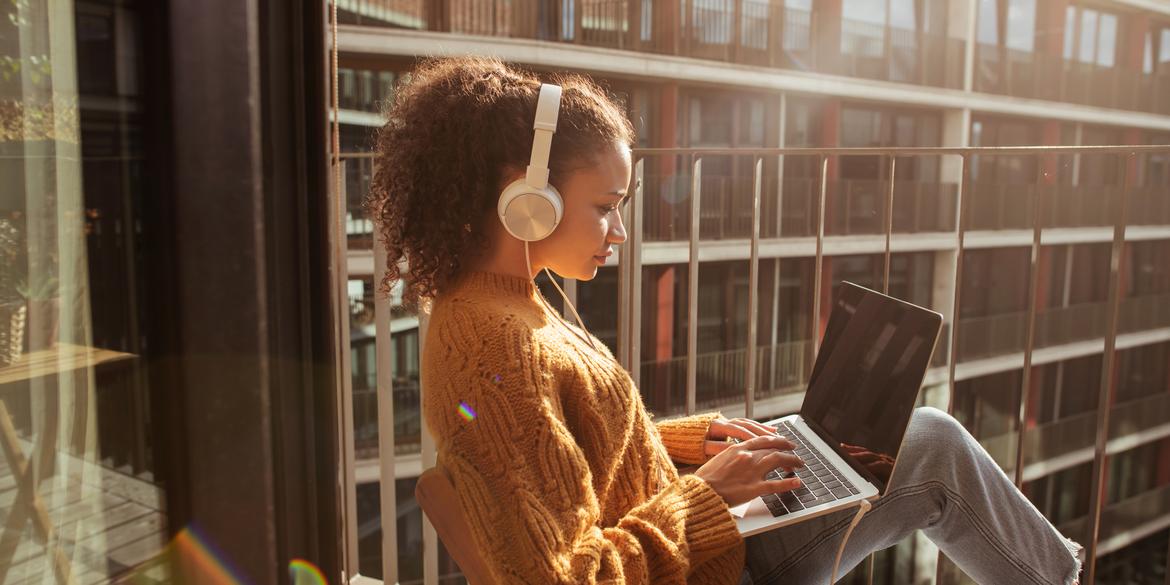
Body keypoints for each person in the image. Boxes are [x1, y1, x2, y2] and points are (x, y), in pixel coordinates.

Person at [365, 56, 1084, 585]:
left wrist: (688, 440)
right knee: (929, 446)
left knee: (890, 441)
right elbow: (568, 577)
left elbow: (581, 454)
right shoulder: (496, 340)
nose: (618, 229)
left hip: (697, 538)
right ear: (527, 197)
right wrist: (710, 492)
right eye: (604, 204)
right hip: (710, 568)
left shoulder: (508, 301)